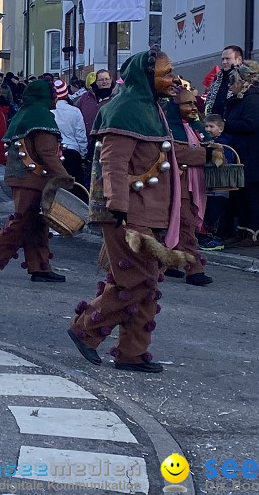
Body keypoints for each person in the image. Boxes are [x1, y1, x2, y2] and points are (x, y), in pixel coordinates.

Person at [68, 48, 191, 374]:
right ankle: (85, 329)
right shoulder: (124, 109)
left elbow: (161, 151)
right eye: (166, 73)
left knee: (146, 283)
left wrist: (206, 155)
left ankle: (132, 353)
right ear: (145, 76)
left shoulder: (152, 108)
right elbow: (114, 163)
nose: (173, 79)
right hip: (127, 215)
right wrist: (118, 207)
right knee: (137, 282)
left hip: (148, 214)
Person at [0, 80, 70, 284]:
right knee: (23, 221)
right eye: (52, 93)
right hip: (33, 179)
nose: (55, 97)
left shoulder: (25, 114)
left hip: (23, 176)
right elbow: (47, 153)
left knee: (37, 223)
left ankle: (40, 267)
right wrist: (64, 176)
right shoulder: (40, 116)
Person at [163, 88, 216, 285]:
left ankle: (168, 262)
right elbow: (175, 153)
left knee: (180, 223)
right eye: (187, 104)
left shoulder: (196, 127)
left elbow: (208, 146)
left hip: (197, 183)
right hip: (179, 185)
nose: (193, 107)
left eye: (194, 103)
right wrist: (205, 156)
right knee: (186, 224)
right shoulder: (169, 129)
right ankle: (195, 270)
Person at [221, 61, 259, 248]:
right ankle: (242, 231)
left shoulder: (255, 99)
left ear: (243, 81)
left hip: (254, 156)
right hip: (242, 154)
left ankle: (253, 234)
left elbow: (251, 124)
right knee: (240, 197)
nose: (230, 86)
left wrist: (225, 125)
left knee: (252, 196)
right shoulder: (242, 98)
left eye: (232, 82)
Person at [202, 114, 231, 245]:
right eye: (206, 126)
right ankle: (210, 235)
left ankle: (218, 237)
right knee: (209, 210)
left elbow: (226, 159)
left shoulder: (223, 142)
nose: (208, 129)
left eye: (211, 126)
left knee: (218, 211)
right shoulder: (206, 142)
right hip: (210, 183)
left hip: (220, 183)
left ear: (220, 128)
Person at [51, 78, 87, 184]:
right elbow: (81, 136)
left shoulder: (48, 111)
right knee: (75, 187)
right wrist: (83, 155)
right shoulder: (75, 111)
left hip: (53, 153)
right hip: (73, 152)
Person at [75, 70, 114, 168]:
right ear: (96, 82)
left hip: (108, 145)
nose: (104, 82)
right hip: (87, 143)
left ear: (111, 80)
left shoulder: (116, 97)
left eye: (106, 79)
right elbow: (74, 112)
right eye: (101, 80)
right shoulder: (86, 97)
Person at [204, 46, 245, 118]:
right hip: (215, 122)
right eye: (222, 59)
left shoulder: (244, 78)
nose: (224, 62)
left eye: (227, 59)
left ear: (239, 60)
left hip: (233, 123)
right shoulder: (218, 78)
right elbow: (210, 99)